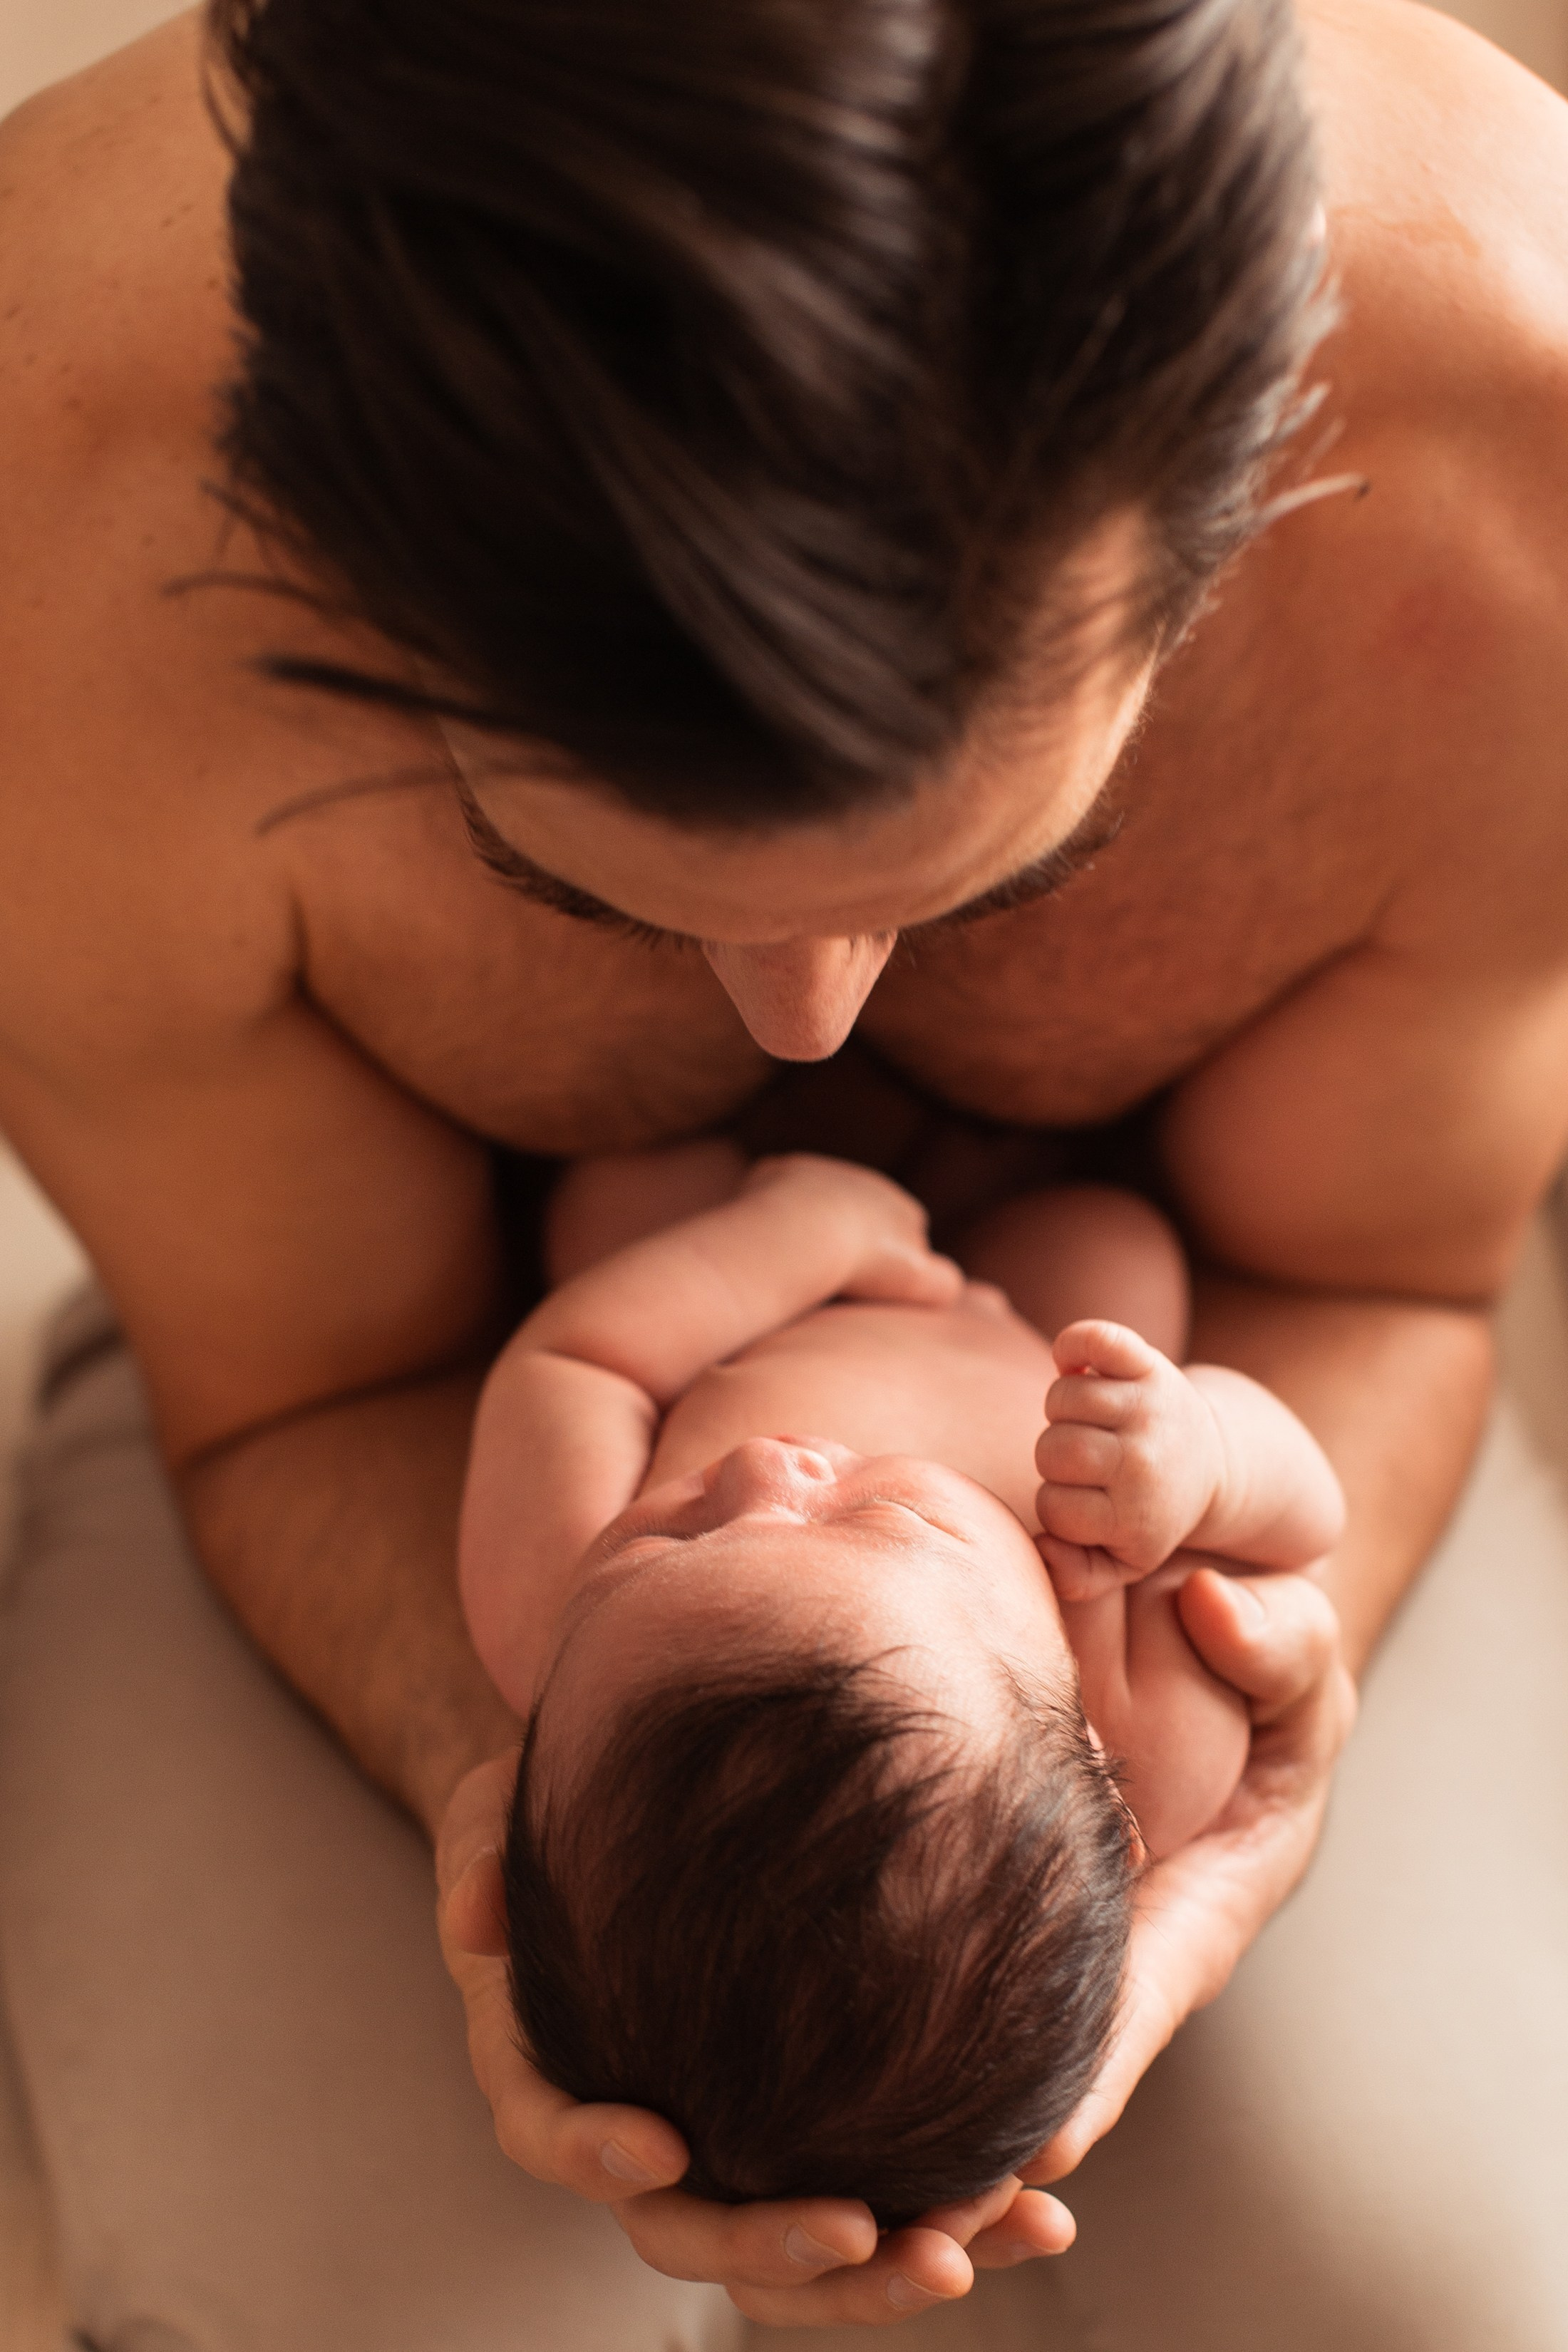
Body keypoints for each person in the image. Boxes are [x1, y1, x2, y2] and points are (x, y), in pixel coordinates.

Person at [0, 0, 1565, 2337]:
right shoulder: (47, 534)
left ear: (1264, 467)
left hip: (1226, 1316)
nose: (806, 1023)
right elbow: (303, 1379)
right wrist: (536, 1802)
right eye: (600, 887)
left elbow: (1392, 1279)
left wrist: (1214, 1743)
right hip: (400, 1366)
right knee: (330, 2303)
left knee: (1425, 2290)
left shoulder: (1517, 456)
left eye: (1009, 859)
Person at [463, 1144, 1344, 2222]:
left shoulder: (547, 1609)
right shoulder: (1157, 1730)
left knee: (621, 1196)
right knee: (1116, 1245)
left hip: (752, 1285)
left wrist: (800, 1233)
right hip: (1030, 1327)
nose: (767, 1468)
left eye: (671, 1542)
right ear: (1100, 1780)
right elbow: (1308, 1526)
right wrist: (1204, 1456)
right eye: (891, 1520)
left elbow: (581, 1361)